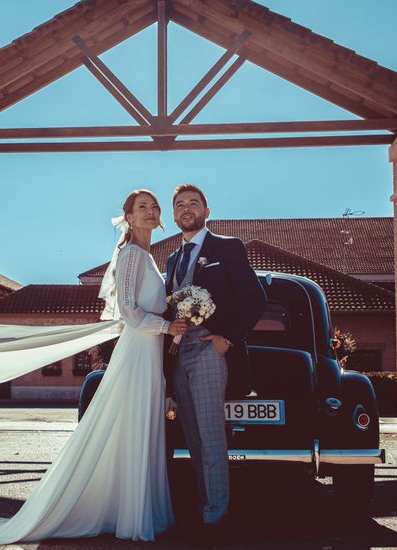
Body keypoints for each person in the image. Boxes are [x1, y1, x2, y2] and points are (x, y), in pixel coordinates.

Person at [0, 189, 188, 547]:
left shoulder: (150, 258)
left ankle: (133, 508)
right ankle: (126, 514)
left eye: (154, 207)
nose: (151, 212)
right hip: (137, 354)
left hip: (150, 355)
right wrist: (168, 326)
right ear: (129, 217)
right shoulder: (130, 256)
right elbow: (128, 312)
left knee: (137, 428)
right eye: (143, 207)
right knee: (128, 425)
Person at [163, 183, 267, 531]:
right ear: (174, 214)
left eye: (194, 203)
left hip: (209, 350)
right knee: (191, 435)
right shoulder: (173, 259)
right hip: (180, 354)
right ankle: (204, 503)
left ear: (207, 212)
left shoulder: (228, 247)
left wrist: (228, 340)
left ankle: (216, 515)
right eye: (180, 205)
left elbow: (255, 299)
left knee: (210, 433)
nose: (186, 209)